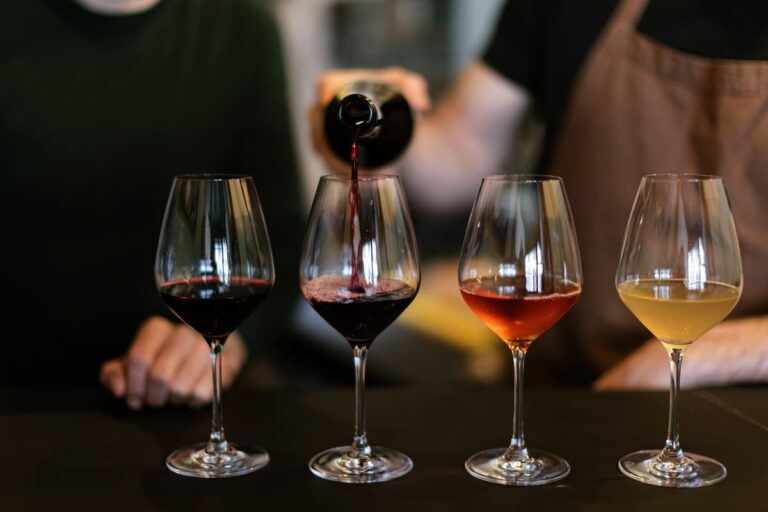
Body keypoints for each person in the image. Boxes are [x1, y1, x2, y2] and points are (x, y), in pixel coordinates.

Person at [310, 0, 768, 389]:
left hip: (739, 409)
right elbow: (461, 147)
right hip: (563, 391)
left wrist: (699, 359)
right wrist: (379, 128)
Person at [1, 0, 304, 407]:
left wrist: (231, 343)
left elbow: (280, 238)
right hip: (20, 406)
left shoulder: (242, 28)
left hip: (197, 405)